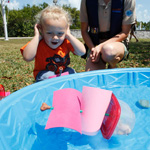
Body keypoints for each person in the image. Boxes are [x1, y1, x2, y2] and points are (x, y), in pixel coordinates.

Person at [20, 5, 86, 82]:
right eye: (49, 33)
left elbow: (82, 52)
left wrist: (69, 35)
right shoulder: (38, 43)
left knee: (71, 72)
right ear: (41, 29)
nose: (55, 37)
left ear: (66, 29)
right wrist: (37, 37)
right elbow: (27, 57)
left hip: (62, 72)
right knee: (49, 76)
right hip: (44, 75)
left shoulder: (66, 41)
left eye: (60, 33)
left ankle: (70, 91)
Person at [80, 0, 136, 71]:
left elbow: (125, 32)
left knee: (108, 51)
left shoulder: (128, 1)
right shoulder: (86, 1)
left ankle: (112, 65)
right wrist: (93, 49)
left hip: (117, 43)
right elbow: (84, 31)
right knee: (93, 77)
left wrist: (100, 47)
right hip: (94, 44)